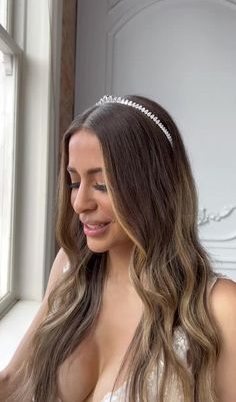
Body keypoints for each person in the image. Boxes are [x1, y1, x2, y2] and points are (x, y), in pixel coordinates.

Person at [0, 94, 236, 402]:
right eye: (74, 182)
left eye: (102, 185)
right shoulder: (71, 269)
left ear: (155, 187)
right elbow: (12, 381)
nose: (79, 203)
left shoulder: (218, 306)